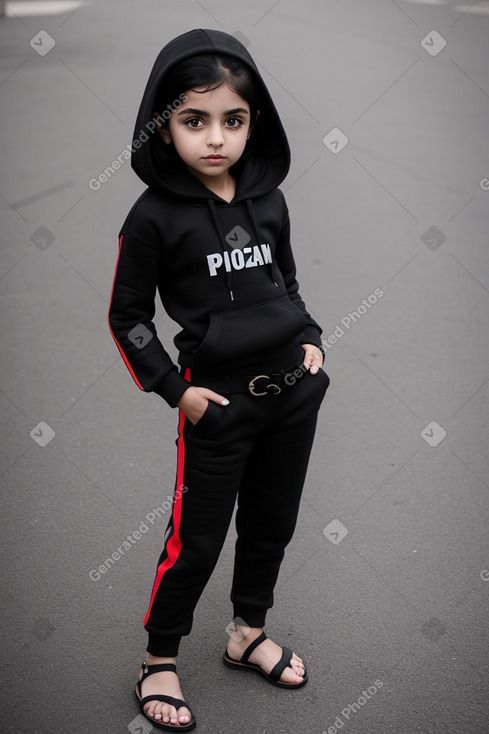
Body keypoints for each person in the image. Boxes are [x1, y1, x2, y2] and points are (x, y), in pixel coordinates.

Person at [108, 28, 330, 732]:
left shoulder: (268, 200)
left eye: (231, 120)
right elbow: (128, 317)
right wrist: (178, 392)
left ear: (252, 122)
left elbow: (285, 281)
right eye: (193, 120)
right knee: (195, 540)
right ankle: (158, 660)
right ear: (162, 124)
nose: (214, 139)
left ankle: (245, 634)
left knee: (271, 524)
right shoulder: (152, 219)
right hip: (218, 405)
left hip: (292, 394)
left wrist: (311, 338)